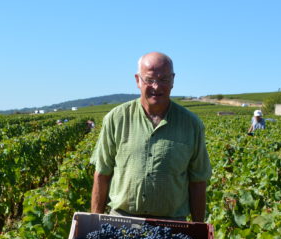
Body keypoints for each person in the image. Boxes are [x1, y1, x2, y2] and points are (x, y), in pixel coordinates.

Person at [90, 52, 212, 222]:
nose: (156, 87)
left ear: (173, 80)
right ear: (137, 80)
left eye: (164, 80)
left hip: (173, 225)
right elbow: (102, 173)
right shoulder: (116, 118)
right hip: (122, 221)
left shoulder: (191, 124)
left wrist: (198, 228)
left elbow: (198, 181)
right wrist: (94, 223)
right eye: (150, 79)